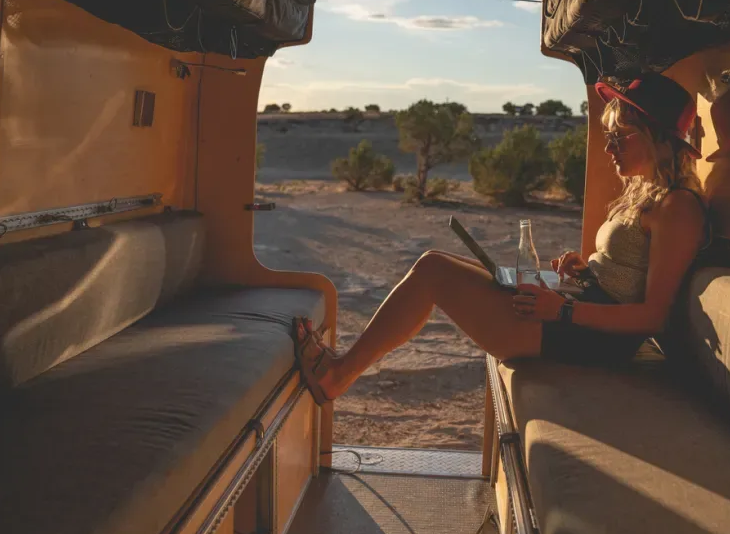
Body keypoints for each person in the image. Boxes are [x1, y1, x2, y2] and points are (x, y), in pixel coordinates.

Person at [295, 72, 708, 404]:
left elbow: (653, 316)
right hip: (580, 310)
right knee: (439, 261)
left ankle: (338, 375)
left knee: (432, 271)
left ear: (658, 138)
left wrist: (562, 310)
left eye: (620, 137)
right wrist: (586, 271)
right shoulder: (647, 194)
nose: (609, 148)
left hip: (592, 340)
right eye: (609, 138)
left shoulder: (679, 207)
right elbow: (627, 277)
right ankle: (341, 367)